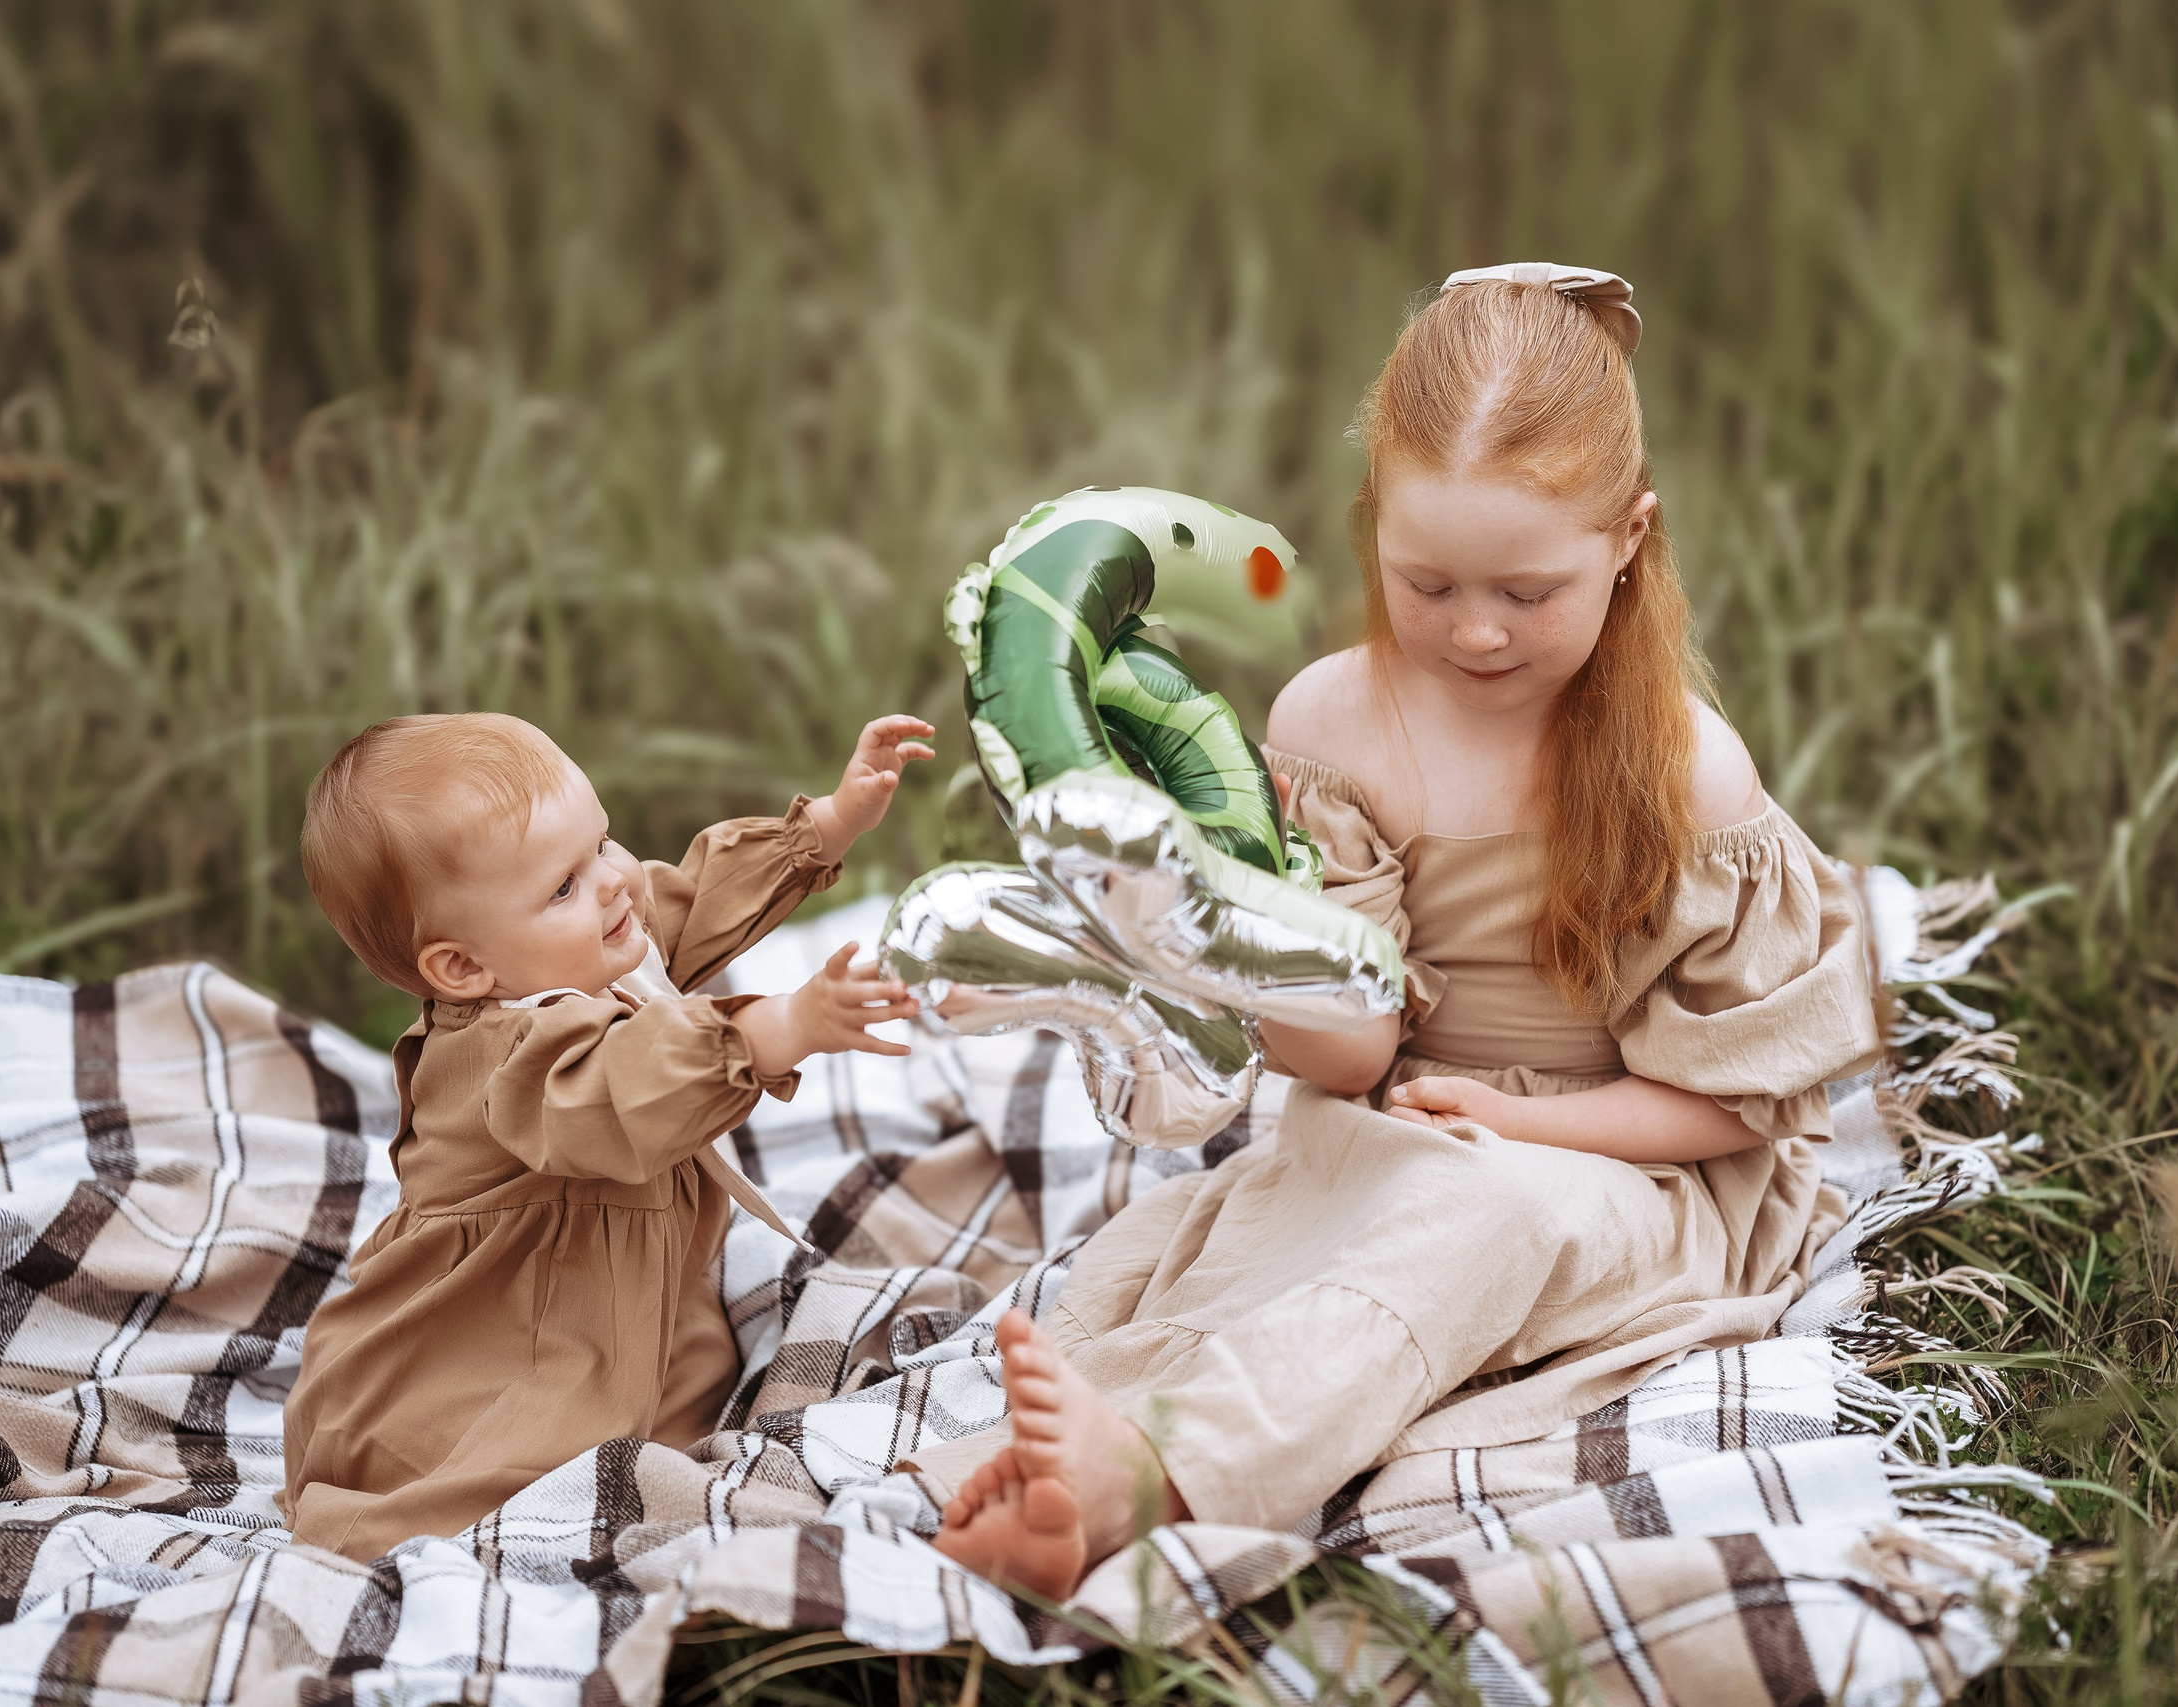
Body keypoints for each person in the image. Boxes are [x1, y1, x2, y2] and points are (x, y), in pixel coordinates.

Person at [923, 264, 1883, 1596]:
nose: (1476, 629)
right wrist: (1203, 924)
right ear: (1373, 527)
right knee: (1301, 1237)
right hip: (1396, 1123)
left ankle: (1151, 1474)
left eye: (1529, 591)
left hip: (1631, 1159)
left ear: (1631, 539)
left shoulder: (1688, 775)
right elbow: (1344, 1052)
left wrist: (1509, 1116)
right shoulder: (1332, 725)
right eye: (1427, 582)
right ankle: (1049, 1470)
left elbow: (1740, 1106)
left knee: (1473, 1217)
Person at [281, 710, 932, 1558]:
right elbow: (622, 1088)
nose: (614, 879)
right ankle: (432, 1515)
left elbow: (685, 898)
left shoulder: (588, 938)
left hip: (634, 1298)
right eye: (563, 884)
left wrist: (826, 825)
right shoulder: (502, 1062)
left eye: (604, 840)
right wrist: (776, 1026)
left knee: (682, 1392)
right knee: (515, 1490)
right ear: (465, 969)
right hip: (508, 1331)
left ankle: (672, 1418)